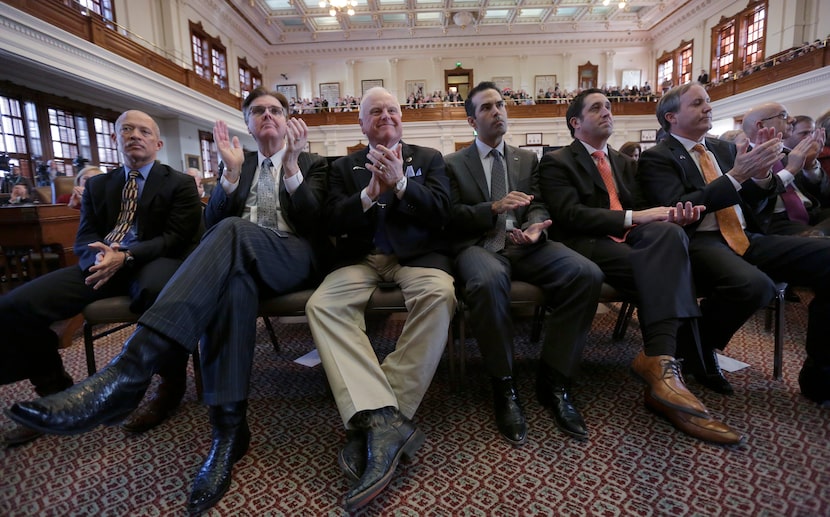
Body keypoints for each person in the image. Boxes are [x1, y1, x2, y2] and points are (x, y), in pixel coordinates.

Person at [6, 88, 329, 513]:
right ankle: (228, 432)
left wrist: (291, 169)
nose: (267, 116)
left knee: (235, 230)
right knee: (232, 280)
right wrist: (229, 181)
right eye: (257, 111)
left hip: (290, 257)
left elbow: (317, 223)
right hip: (238, 262)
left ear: (287, 119)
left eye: (275, 110)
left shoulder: (315, 163)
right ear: (247, 123)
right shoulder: (239, 163)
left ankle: (129, 371)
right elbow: (207, 229)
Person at [538, 88, 744, 444]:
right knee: (665, 267)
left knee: (668, 236)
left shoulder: (625, 163)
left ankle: (660, 362)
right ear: (575, 122)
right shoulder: (557, 161)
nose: (607, 112)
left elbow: (652, 209)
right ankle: (666, 375)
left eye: (609, 107)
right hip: (588, 243)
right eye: (597, 108)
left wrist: (674, 216)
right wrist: (635, 216)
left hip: (632, 242)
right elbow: (569, 215)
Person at [0, 110, 202, 447]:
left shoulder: (177, 182)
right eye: (127, 129)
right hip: (100, 265)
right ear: (115, 139)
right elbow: (84, 235)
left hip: (153, 260)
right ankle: (54, 390)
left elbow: (176, 239)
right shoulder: (98, 184)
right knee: (14, 306)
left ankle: (170, 385)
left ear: (157, 142)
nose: (135, 135)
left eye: (144, 131)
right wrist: (99, 257)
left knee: (158, 294)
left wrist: (126, 256)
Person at [305, 86, 456, 510]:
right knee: (321, 305)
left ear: (402, 118)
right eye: (375, 111)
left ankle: (378, 416)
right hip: (361, 259)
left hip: (416, 259)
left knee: (441, 294)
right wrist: (370, 193)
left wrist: (402, 184)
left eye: (392, 109)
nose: (385, 116)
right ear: (361, 123)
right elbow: (330, 218)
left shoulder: (428, 159)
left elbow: (443, 214)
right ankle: (386, 420)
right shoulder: (343, 165)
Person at [638, 82, 830, 407]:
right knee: (756, 287)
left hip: (745, 236)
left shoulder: (724, 149)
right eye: (698, 103)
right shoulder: (657, 157)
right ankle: (696, 349)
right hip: (700, 240)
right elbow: (677, 207)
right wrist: (737, 177)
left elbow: (751, 203)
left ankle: (820, 374)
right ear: (670, 116)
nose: (708, 107)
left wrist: (778, 174)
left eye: (709, 101)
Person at [444, 81, 603, 445]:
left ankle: (554, 380)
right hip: (480, 246)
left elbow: (539, 205)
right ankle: (505, 384)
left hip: (525, 246)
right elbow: (450, 218)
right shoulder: (452, 164)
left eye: (500, 104)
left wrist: (535, 227)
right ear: (472, 120)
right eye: (486, 107)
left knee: (586, 274)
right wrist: (492, 208)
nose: (497, 111)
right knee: (486, 283)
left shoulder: (526, 159)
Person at [741, 108, 827, 236]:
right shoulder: (741, 157)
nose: (792, 119)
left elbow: (823, 193)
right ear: (761, 125)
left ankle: (815, 234)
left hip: (811, 212)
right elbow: (752, 200)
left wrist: (810, 166)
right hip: (773, 221)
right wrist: (790, 171)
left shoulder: (788, 153)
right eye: (783, 115)